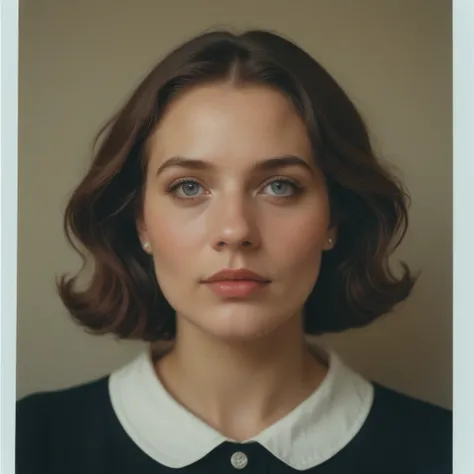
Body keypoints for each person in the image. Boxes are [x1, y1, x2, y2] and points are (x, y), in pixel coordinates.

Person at [16, 29, 452, 473]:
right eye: (189, 187)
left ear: (334, 218)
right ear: (141, 222)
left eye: (279, 186)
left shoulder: (446, 451)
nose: (235, 230)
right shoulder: (28, 443)